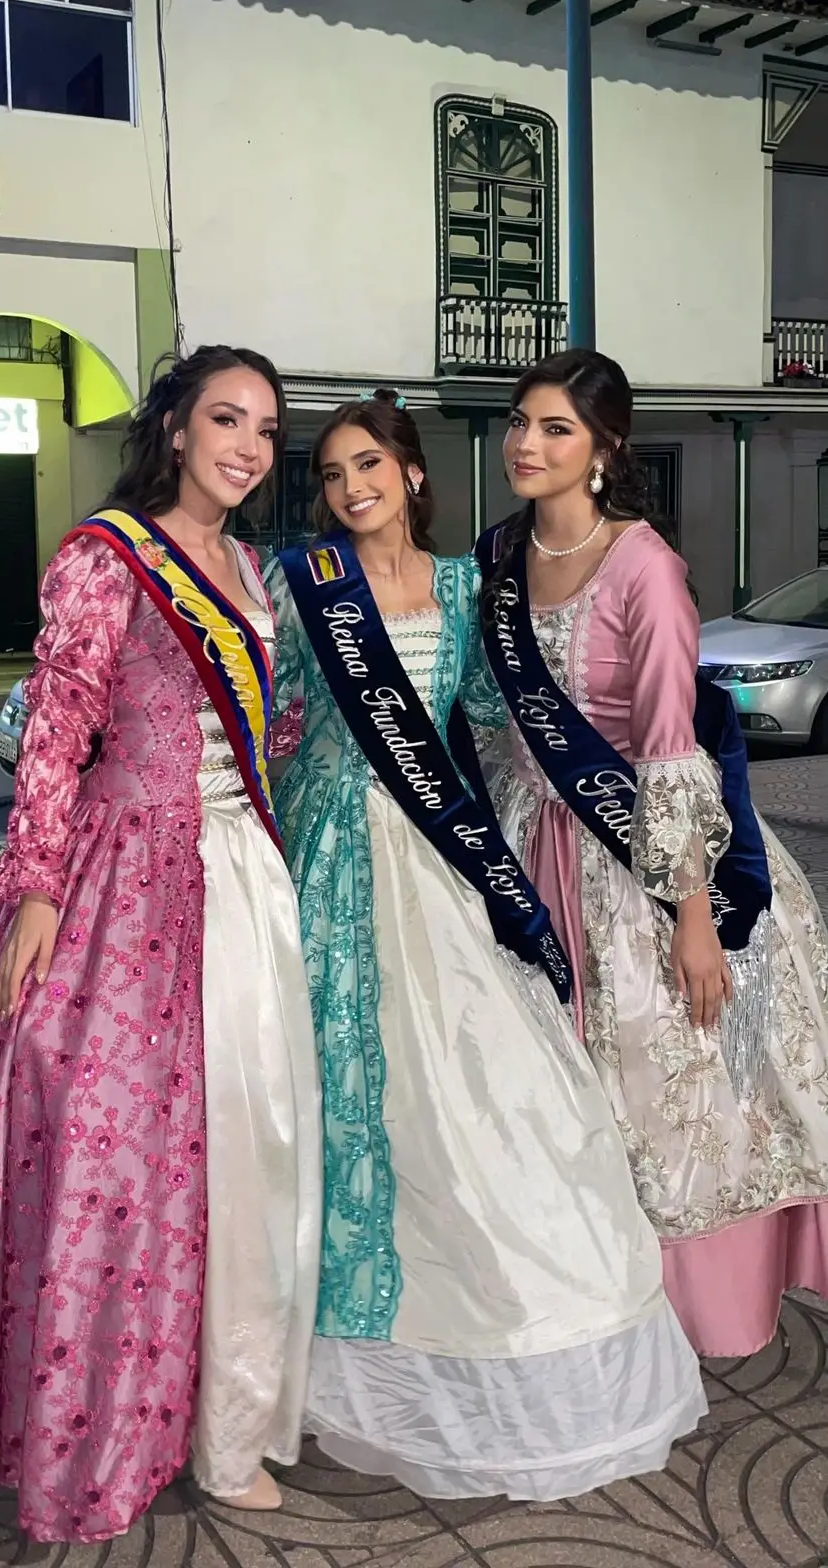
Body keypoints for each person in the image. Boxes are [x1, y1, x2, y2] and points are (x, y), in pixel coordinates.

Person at [263, 388, 705, 1504]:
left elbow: (501, 720)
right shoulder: (296, 585)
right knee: (334, 1093)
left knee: (479, 1087)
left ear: (412, 474)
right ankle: (302, 1355)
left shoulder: (465, 588)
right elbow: (249, 704)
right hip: (326, 858)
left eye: (369, 463)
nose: (349, 485)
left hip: (439, 853)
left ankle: (490, 1333)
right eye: (327, 472)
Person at [0, 346, 322, 1541]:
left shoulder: (249, 565)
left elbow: (272, 721)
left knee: (242, 1154)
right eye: (224, 418)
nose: (247, 446)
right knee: (117, 1164)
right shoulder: (107, 556)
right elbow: (56, 731)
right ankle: (89, 1430)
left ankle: (222, 1416)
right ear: (172, 424)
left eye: (263, 427)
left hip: (235, 878)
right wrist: (39, 887)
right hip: (122, 884)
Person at [479, 346, 828, 1361]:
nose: (525, 444)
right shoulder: (499, 554)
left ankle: (679, 1312)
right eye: (519, 423)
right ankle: (563, 1292)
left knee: (662, 1089)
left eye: (555, 428)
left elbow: (673, 748)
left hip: (634, 862)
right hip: (520, 845)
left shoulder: (644, 565)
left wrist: (689, 918)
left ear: (604, 447)